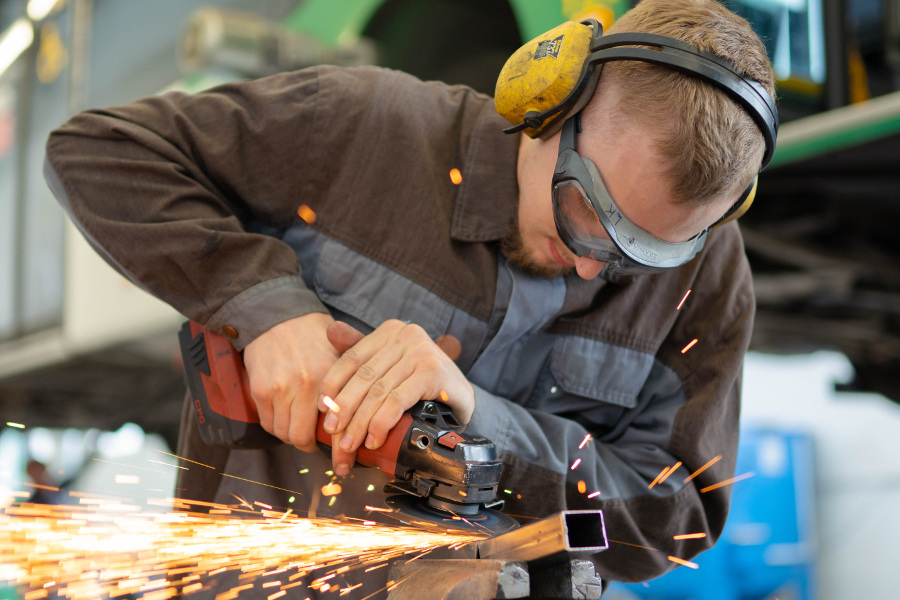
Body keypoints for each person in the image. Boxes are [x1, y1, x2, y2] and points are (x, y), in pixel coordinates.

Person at [44, 0, 775, 586]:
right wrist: (267, 310)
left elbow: (671, 520)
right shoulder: (364, 130)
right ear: (547, 101)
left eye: (640, 251)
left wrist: (488, 425)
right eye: (588, 214)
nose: (593, 266)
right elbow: (99, 150)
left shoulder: (706, 278)